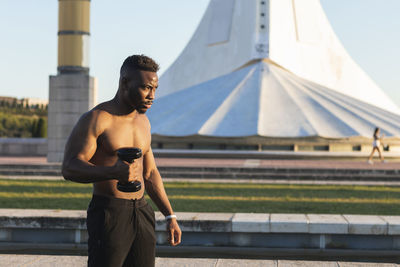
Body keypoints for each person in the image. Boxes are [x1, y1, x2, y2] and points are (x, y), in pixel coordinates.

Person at [62, 55, 181, 267]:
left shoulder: (143, 122)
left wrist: (170, 216)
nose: (152, 96)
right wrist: (113, 172)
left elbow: (150, 173)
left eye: (155, 89)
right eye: (146, 88)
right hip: (109, 212)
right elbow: (70, 167)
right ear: (125, 83)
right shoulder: (98, 119)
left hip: (142, 210)